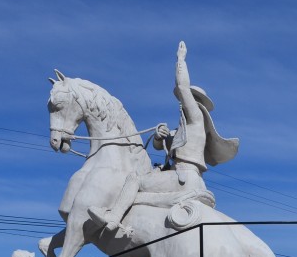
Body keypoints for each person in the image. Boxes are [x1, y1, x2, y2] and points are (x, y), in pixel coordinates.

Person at [88, 42, 238, 236]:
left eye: (188, 99)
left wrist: (181, 60)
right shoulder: (184, 130)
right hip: (182, 177)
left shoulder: (196, 119)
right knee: (139, 194)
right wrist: (160, 136)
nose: (183, 102)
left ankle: (114, 218)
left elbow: (182, 86)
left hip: (184, 177)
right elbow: (161, 147)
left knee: (135, 179)